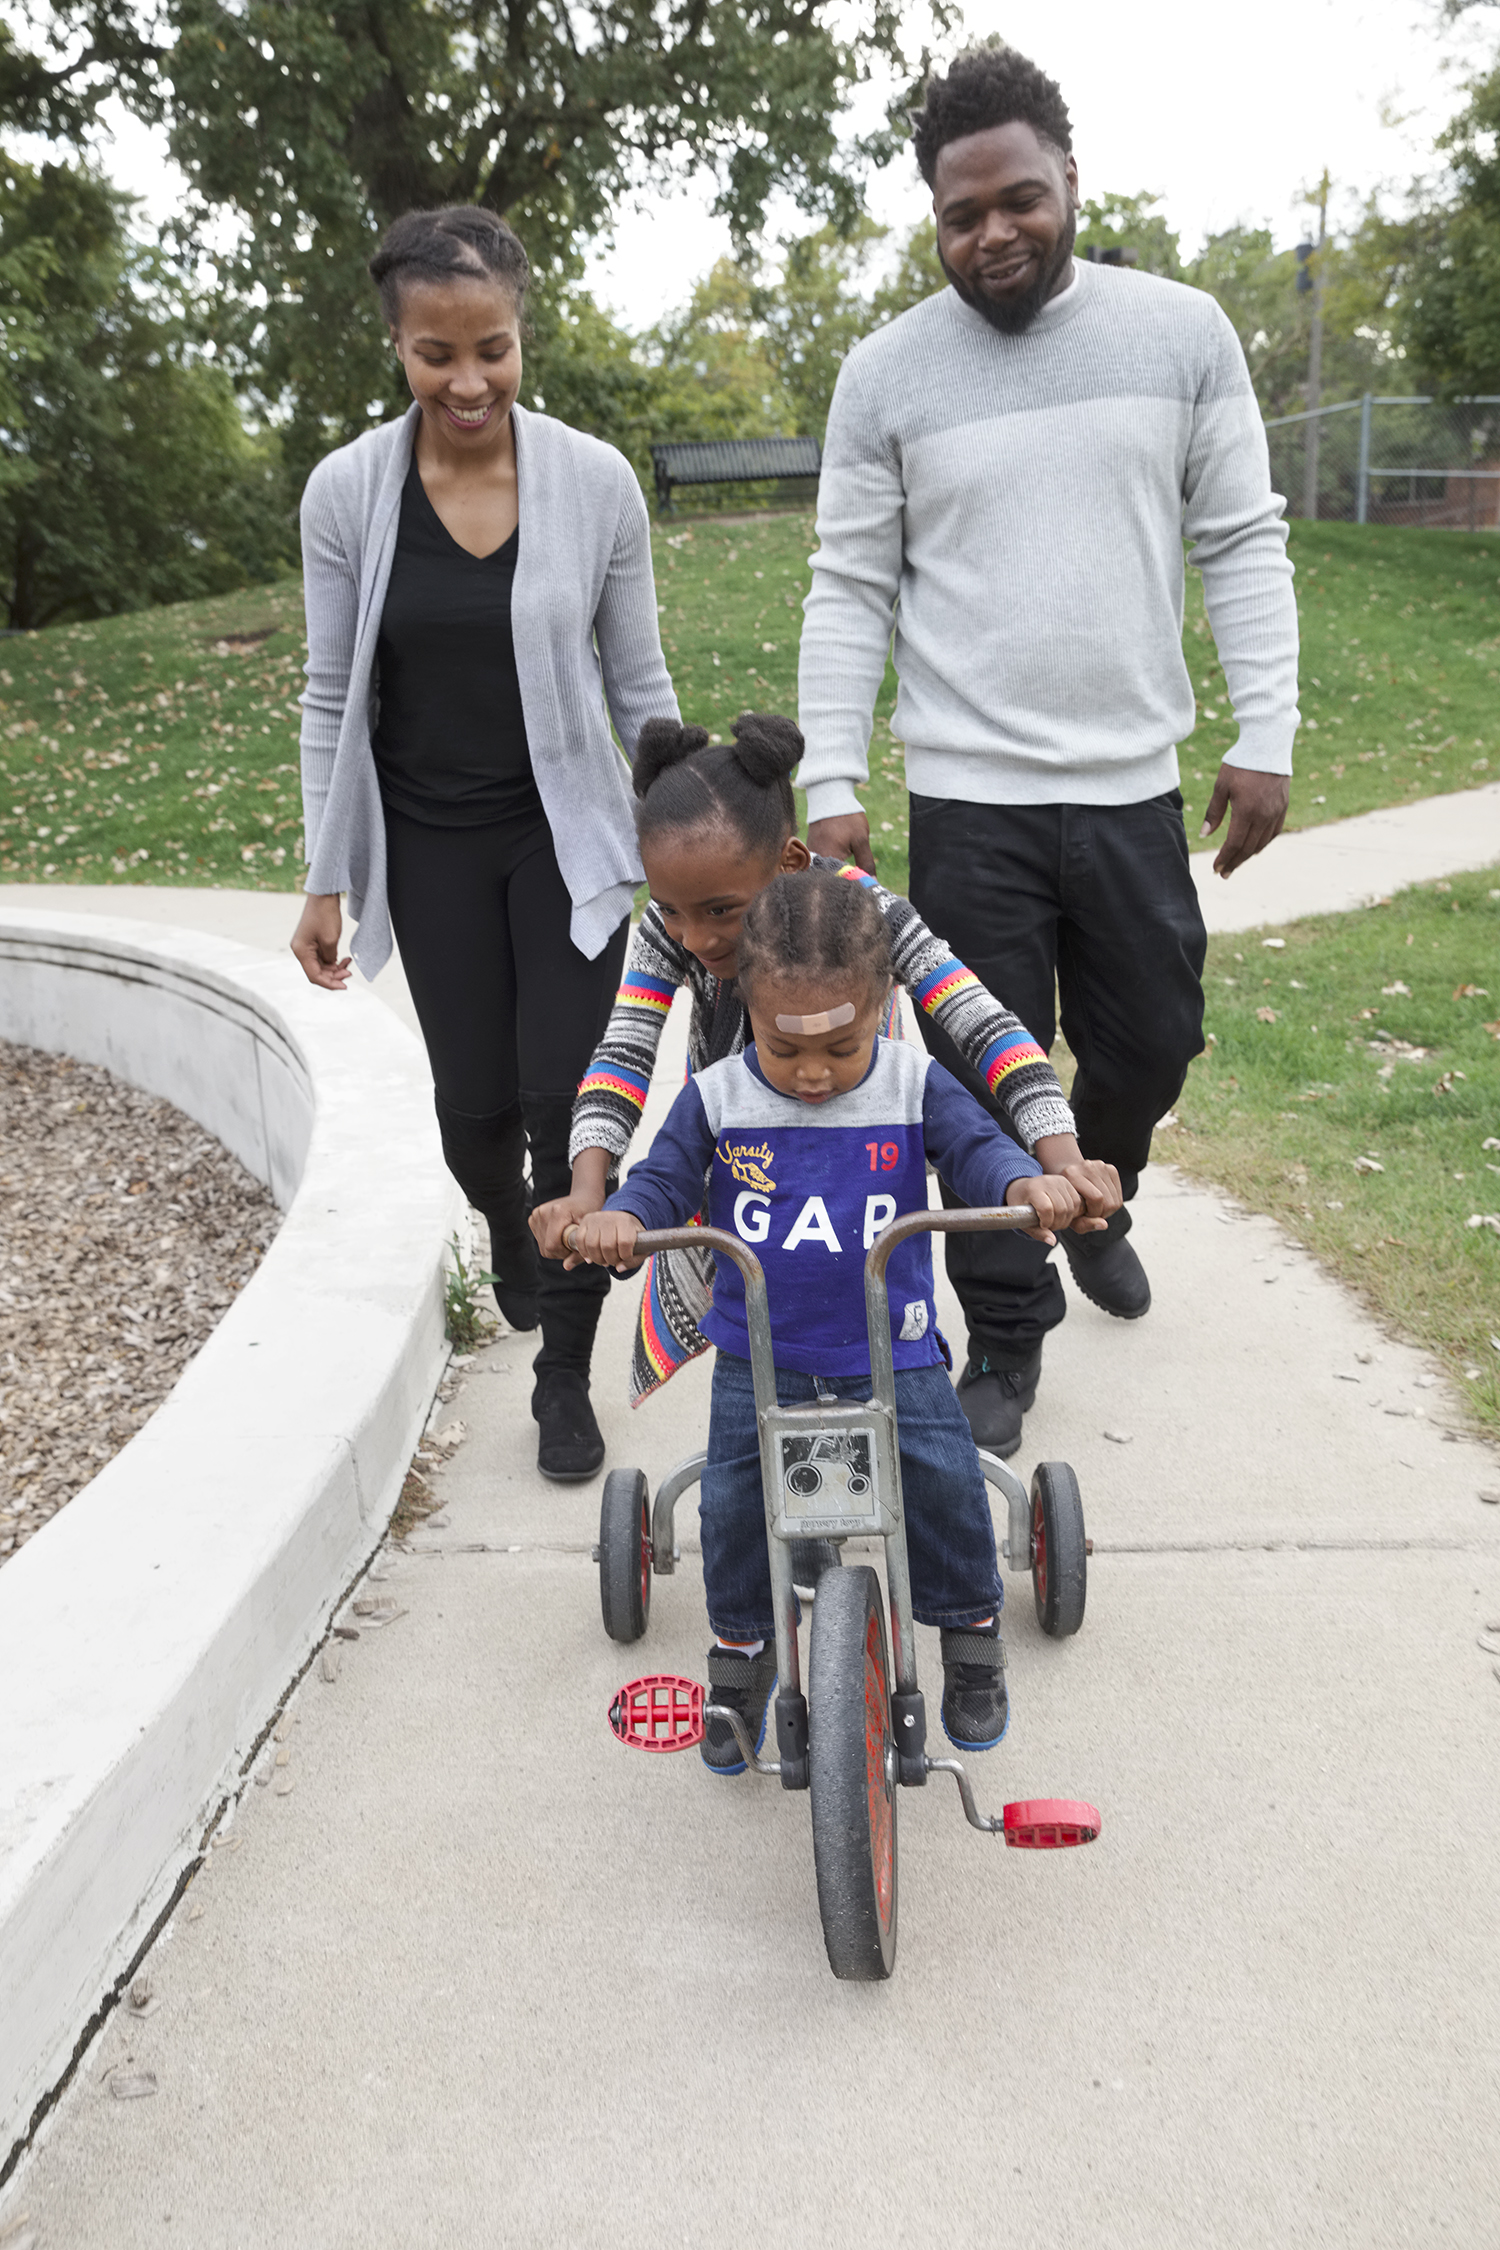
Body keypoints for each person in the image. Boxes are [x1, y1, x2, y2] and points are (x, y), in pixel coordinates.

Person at [796, 42, 1300, 1455]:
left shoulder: (1182, 333)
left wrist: (1268, 730)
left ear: (1070, 181)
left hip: (1132, 784)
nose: (994, 232)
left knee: (1155, 1037)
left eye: (1019, 199)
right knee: (972, 1083)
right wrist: (832, 776)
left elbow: (1242, 541)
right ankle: (1007, 1340)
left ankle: (1102, 1187)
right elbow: (850, 583)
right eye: (963, 214)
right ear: (934, 217)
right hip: (969, 799)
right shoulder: (886, 374)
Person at [290, 205, 678, 1483]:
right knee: (474, 1119)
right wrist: (325, 874)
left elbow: (640, 686)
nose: (468, 382)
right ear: (397, 347)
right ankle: (510, 1228)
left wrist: (697, 830)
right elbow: (330, 692)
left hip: (565, 843)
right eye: (435, 355)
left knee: (573, 1109)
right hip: (430, 844)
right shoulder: (349, 492)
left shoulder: (596, 482)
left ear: (523, 334)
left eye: (492, 350)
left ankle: (563, 1373)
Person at [566, 868, 1110, 1771]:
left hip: (892, 1348)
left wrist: (1025, 1182)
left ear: (883, 1003)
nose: (811, 1072)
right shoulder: (718, 1098)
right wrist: (627, 1214)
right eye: (783, 1050)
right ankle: (741, 1652)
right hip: (759, 1358)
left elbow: (975, 1148)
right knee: (737, 1505)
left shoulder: (909, 1082)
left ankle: (969, 1633)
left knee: (940, 1476)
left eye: (839, 1046)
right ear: (746, 1004)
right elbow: (664, 1178)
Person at [530, 711, 1122, 1457]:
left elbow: (982, 1022)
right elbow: (623, 1053)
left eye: (722, 912)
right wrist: (590, 1190)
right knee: (766, 1321)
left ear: (789, 862)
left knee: (870, 1304)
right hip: (744, 1147)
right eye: (673, 910)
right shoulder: (668, 933)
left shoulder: (863, 912)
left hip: (862, 1140)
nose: (697, 937)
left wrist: (1059, 1157)